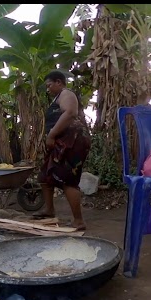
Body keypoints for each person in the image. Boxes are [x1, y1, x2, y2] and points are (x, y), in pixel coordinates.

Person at [33, 70, 91, 231]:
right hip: (61, 142)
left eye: (49, 85)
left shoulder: (66, 94)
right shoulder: (58, 98)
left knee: (67, 179)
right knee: (45, 176)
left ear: (59, 82)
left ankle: (78, 221)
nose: (48, 89)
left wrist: (51, 134)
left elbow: (70, 113)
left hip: (72, 141)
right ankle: (49, 210)